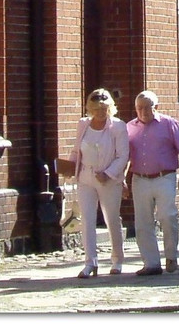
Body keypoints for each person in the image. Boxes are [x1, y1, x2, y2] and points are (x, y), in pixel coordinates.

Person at [126, 90, 179, 276]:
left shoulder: (168, 124)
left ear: (157, 107)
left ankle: (171, 255)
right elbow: (125, 156)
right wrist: (123, 180)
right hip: (140, 178)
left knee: (167, 216)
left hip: (164, 176)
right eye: (140, 108)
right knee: (142, 222)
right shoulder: (130, 127)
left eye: (148, 107)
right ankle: (151, 263)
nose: (144, 111)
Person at [71, 88, 129, 277]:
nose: (100, 112)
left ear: (110, 108)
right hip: (85, 177)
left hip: (108, 178)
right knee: (87, 219)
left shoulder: (117, 126)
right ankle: (90, 262)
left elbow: (123, 156)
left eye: (104, 108)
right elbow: (76, 150)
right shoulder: (83, 125)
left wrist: (109, 173)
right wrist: (69, 167)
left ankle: (117, 259)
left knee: (111, 218)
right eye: (96, 109)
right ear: (90, 108)